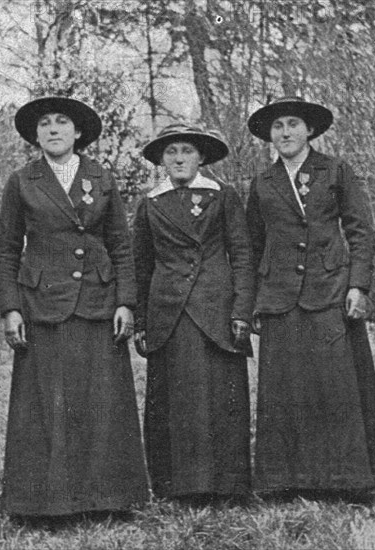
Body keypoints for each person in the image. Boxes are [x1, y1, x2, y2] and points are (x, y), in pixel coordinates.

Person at [0, 96, 148, 518]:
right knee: (46, 403)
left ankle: (108, 500)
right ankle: (44, 503)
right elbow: (6, 251)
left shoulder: (101, 177)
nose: (53, 129)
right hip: (43, 304)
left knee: (100, 401)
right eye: (44, 124)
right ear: (36, 135)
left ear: (78, 132)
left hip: (98, 303)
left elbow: (121, 245)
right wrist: (10, 308)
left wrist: (126, 302)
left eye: (62, 122)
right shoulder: (22, 180)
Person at [246, 96, 375, 497]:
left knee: (336, 386)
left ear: (309, 129)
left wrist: (358, 285)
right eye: (278, 127)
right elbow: (252, 245)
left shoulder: (336, 170)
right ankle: (286, 481)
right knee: (285, 388)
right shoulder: (262, 183)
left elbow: (360, 231)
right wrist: (256, 300)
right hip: (279, 297)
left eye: (293, 124)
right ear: (269, 136)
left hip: (330, 291)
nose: (286, 133)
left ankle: (348, 480)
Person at [133, 124, 255, 501]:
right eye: (171, 152)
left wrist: (241, 311)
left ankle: (228, 485)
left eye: (187, 150)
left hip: (216, 311)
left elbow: (243, 256)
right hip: (168, 313)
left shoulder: (223, 196)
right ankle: (174, 486)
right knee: (174, 399)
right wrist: (141, 321)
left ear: (201, 157)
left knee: (221, 398)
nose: (179, 158)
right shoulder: (150, 202)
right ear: (162, 160)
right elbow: (141, 266)